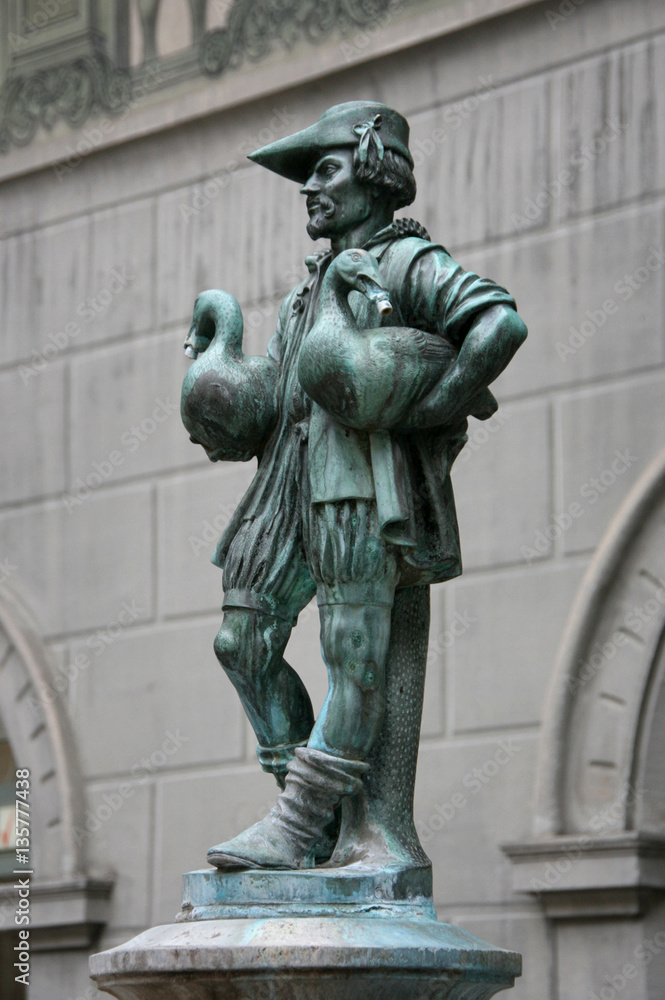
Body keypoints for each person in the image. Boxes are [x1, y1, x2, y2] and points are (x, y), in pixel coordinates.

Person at [204, 101, 527, 870]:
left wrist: (435, 406)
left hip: (352, 488)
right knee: (241, 639)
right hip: (285, 484)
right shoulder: (302, 291)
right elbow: (280, 393)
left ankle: (301, 820)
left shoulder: (405, 263)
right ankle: (305, 810)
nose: (307, 190)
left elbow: (499, 325)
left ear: (375, 169)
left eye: (324, 170)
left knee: (352, 650)